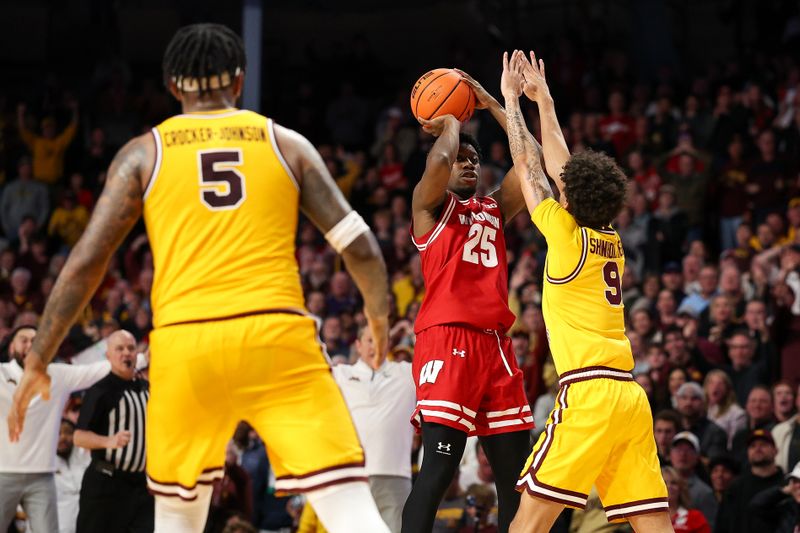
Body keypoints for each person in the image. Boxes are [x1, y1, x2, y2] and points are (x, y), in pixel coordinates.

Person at [8, 23, 391, 533]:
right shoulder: (286, 142)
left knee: (178, 516)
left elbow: (83, 264)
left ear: (171, 86)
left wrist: (38, 360)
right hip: (276, 338)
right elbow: (361, 248)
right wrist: (379, 317)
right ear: (240, 80)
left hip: (186, 347)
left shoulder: (143, 153)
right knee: (349, 508)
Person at [500, 51, 669, 531]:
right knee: (654, 522)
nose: (561, 184)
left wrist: (513, 101)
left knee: (527, 522)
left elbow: (529, 163)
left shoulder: (564, 233)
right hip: (629, 397)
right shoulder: (609, 235)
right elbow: (561, 167)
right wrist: (545, 103)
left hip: (588, 392)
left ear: (568, 197)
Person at [401, 67, 534, 532]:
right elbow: (437, 165)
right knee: (438, 469)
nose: (469, 163)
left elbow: (531, 164)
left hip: (496, 345)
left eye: (475, 159)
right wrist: (450, 119)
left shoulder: (494, 208)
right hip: (447, 339)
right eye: (462, 158)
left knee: (518, 480)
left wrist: (497, 105)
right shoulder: (428, 207)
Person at [0, 326, 109, 532]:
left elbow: (97, 371)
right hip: (2, 472)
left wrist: (142, 359)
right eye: (23, 340)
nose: (30, 345)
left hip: (42, 476)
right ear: (11, 347)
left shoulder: (57, 375)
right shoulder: (1, 373)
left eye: (36, 340)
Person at [332, 325, 416, 533]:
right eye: (369, 340)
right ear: (358, 345)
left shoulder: (406, 373)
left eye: (380, 339)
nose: (374, 345)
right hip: (352, 476)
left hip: (395, 475)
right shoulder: (341, 375)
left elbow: (434, 357)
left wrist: (412, 333)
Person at [73, 330, 153, 532]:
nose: (126, 353)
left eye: (131, 348)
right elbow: (79, 437)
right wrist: (108, 441)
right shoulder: (100, 391)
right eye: (119, 348)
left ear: (137, 354)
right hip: (106, 483)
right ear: (108, 355)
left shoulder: (147, 388)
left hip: (140, 486)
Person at [715, 429, 783, 533]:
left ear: (776, 450)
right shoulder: (735, 488)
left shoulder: (786, 486)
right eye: (753, 446)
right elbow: (722, 525)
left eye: (763, 444)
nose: (758, 449)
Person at [668, 432, 717, 528]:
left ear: (697, 457)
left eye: (689, 450)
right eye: (678, 449)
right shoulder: (656, 483)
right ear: (670, 454)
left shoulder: (704, 493)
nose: (683, 454)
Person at [55, 419, 91, 533]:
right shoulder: (42, 465)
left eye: (68, 432)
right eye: (57, 434)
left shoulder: (86, 457)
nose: (63, 438)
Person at [661, 466, 710, 533]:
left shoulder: (695, 517)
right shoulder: (647, 518)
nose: (669, 486)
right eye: (664, 483)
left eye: (674, 483)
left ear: (680, 488)